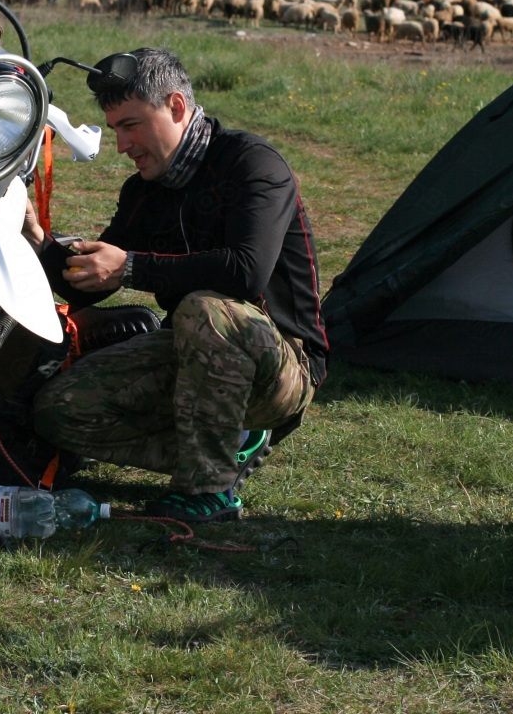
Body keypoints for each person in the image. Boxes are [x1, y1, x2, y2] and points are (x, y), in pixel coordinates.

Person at [23, 47, 328, 523]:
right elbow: (91, 284)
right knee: (59, 410)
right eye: (115, 128)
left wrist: (132, 268)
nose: (121, 145)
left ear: (177, 107)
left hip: (284, 364)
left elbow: (246, 272)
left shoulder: (252, 164)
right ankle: (231, 444)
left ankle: (210, 489)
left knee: (204, 309)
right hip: (192, 349)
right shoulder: (143, 190)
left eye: (131, 125)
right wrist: (38, 242)